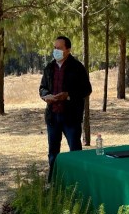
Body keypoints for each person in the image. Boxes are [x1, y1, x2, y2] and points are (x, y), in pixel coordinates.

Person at [39, 36, 92, 181]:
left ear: (68, 50)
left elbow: (86, 89)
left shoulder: (77, 67)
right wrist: (46, 96)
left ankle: (78, 182)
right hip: (53, 117)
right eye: (54, 47)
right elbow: (42, 87)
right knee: (53, 153)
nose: (56, 51)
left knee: (75, 152)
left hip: (71, 117)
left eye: (59, 48)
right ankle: (53, 182)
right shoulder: (49, 68)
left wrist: (68, 95)